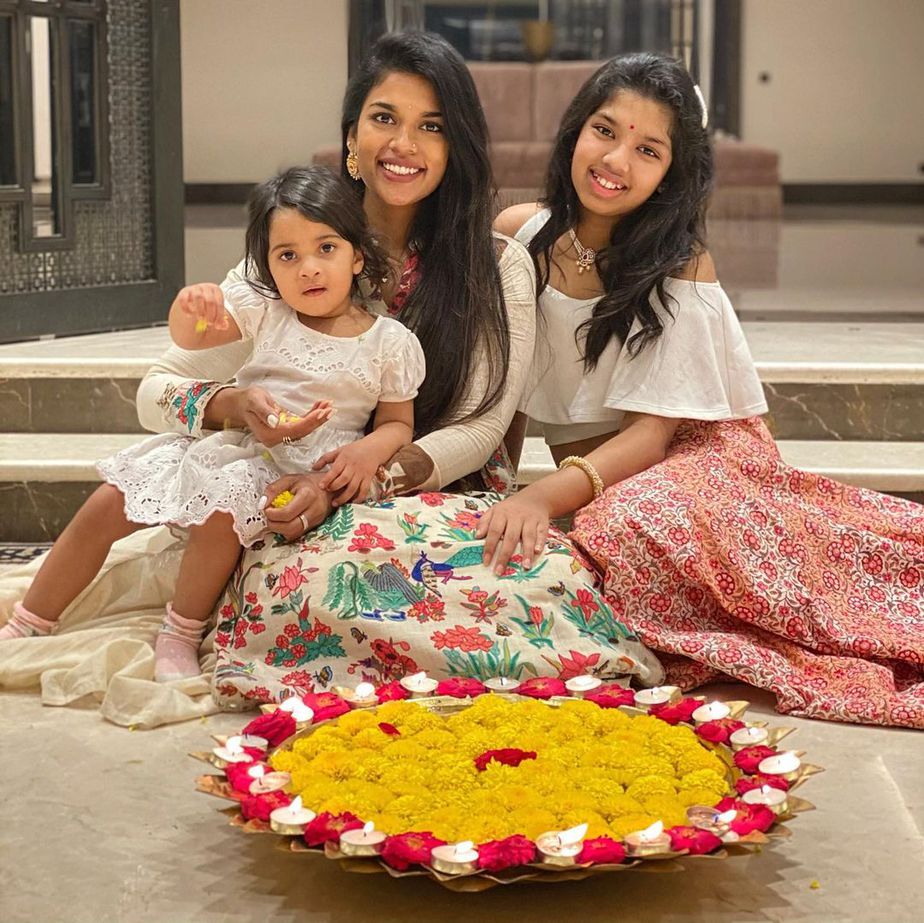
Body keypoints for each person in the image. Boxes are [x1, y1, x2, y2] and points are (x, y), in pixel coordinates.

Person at [0, 32, 536, 725]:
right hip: (277, 490)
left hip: (427, 495)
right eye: (384, 118)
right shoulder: (289, 256)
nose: (404, 143)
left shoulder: (497, 266)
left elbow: (484, 422)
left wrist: (360, 476)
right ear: (350, 135)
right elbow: (155, 389)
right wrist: (231, 405)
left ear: (457, 142)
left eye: (431, 126)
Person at [487, 52, 923, 728]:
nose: (616, 160)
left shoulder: (679, 259)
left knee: (629, 524)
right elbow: (505, 384)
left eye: (647, 149)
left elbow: (652, 435)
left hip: (698, 461)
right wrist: (496, 489)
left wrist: (544, 494)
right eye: (605, 130)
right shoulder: (519, 233)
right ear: (576, 130)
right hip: (617, 482)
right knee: (602, 530)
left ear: (670, 173)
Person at [0, 166, 426, 684]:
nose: (308, 269)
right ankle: (30, 620)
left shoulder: (389, 343)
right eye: (287, 256)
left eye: (326, 249)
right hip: (236, 445)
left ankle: (179, 633)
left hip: (299, 472)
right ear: (268, 267)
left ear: (358, 255)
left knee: (221, 515)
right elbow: (196, 337)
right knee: (109, 500)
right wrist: (188, 310)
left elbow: (398, 424)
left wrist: (367, 453)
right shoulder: (267, 312)